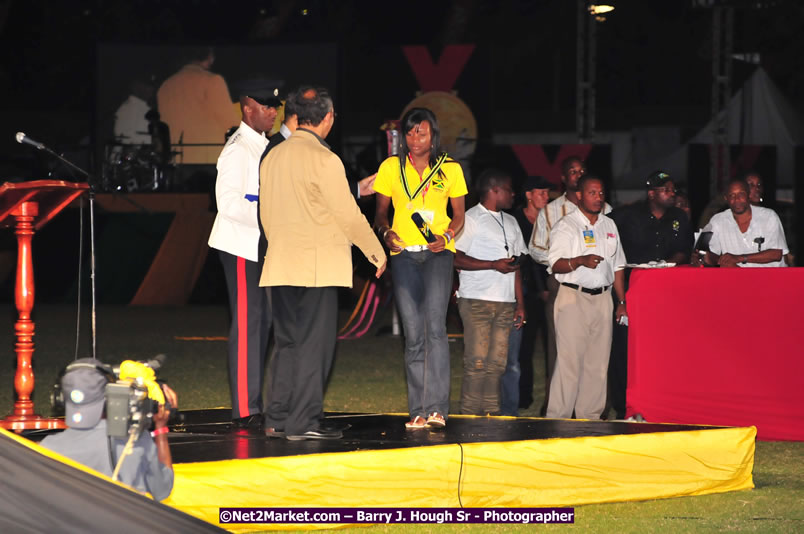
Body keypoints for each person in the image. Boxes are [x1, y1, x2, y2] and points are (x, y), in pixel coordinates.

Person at [259, 86, 386, 441]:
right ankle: (304, 422)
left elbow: (265, 215)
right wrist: (376, 253)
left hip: (280, 265)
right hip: (316, 268)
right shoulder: (326, 160)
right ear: (328, 118)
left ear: (295, 116)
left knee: (287, 344)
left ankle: (277, 417)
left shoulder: (273, 156)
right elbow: (348, 215)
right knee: (314, 346)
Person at [374, 107, 467, 430]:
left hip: (438, 255)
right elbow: (381, 213)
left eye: (422, 133)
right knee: (413, 333)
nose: (415, 139)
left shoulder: (450, 168)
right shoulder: (390, 167)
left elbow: (458, 215)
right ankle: (417, 410)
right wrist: (387, 234)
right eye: (410, 133)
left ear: (433, 135)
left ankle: (438, 408)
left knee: (435, 329)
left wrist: (447, 235)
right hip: (404, 257)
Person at [208, 95, 279, 428]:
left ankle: (253, 404)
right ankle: (245, 409)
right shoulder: (238, 148)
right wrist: (270, 216)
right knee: (249, 325)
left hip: (257, 245)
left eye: (275, 108)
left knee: (261, 323)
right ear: (247, 109)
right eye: (266, 107)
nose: (273, 113)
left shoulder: (262, 145)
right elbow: (228, 204)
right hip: (240, 245)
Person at [528, 156, 611, 415]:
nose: (578, 174)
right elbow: (535, 248)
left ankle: (592, 411)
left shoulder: (604, 210)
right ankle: (557, 409)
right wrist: (560, 259)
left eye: (581, 170)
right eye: (572, 172)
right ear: (565, 179)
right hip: (563, 280)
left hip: (598, 284)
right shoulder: (552, 211)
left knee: (596, 355)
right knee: (561, 350)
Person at [608, 171, 694, 419]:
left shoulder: (679, 217)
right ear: (652, 193)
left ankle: (657, 399)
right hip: (631, 290)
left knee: (659, 349)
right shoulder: (627, 215)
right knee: (624, 348)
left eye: (672, 190)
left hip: (664, 293)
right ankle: (621, 403)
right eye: (666, 190)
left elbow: (684, 250)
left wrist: (666, 263)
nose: (671, 194)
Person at [546, 175, 626, 420]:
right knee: (569, 363)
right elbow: (555, 265)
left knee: (598, 363)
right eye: (592, 193)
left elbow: (618, 266)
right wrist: (579, 261)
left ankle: (589, 419)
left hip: (603, 299)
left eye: (601, 193)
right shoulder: (566, 225)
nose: (598, 197)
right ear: (579, 195)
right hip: (573, 298)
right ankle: (557, 420)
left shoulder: (609, 226)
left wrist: (621, 302)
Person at [40, 359, 177, 502]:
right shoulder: (134, 442)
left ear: (59, 399)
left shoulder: (47, 447)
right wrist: (160, 428)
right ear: (110, 397)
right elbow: (163, 489)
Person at [454, 169, 526, 416]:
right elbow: (455, 258)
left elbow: (516, 266)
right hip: (476, 301)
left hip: (505, 302)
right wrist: (493, 264)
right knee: (476, 362)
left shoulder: (512, 221)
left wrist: (520, 303)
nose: (513, 194)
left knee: (497, 364)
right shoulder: (471, 218)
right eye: (509, 189)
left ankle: (491, 415)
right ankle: (469, 415)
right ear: (494, 190)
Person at [501, 175, 553, 416]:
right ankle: (523, 395)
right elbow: (522, 259)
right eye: (540, 192)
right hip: (526, 290)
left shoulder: (552, 219)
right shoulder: (516, 220)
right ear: (529, 195)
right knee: (524, 347)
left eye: (547, 192)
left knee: (552, 347)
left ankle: (552, 398)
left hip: (551, 288)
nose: (546, 196)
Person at [157, 47, 240, 165]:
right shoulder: (212, 81)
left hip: (175, 161)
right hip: (206, 161)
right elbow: (230, 124)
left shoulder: (165, 86)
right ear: (210, 57)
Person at [700, 178, 788, 268]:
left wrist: (739, 258)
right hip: (738, 279)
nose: (737, 199)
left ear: (749, 195)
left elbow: (776, 254)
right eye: (732, 195)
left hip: (772, 278)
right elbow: (707, 254)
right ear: (726, 198)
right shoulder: (718, 220)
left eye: (741, 194)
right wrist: (722, 261)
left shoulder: (769, 216)